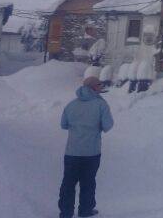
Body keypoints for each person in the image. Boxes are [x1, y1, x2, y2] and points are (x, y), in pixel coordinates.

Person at [58, 75, 114, 218]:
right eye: (99, 85)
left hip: (71, 152)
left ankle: (65, 212)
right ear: (93, 87)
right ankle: (85, 211)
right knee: (88, 182)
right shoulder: (101, 104)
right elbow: (108, 126)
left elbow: (63, 125)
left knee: (68, 183)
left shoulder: (71, 104)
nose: (101, 87)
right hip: (91, 152)